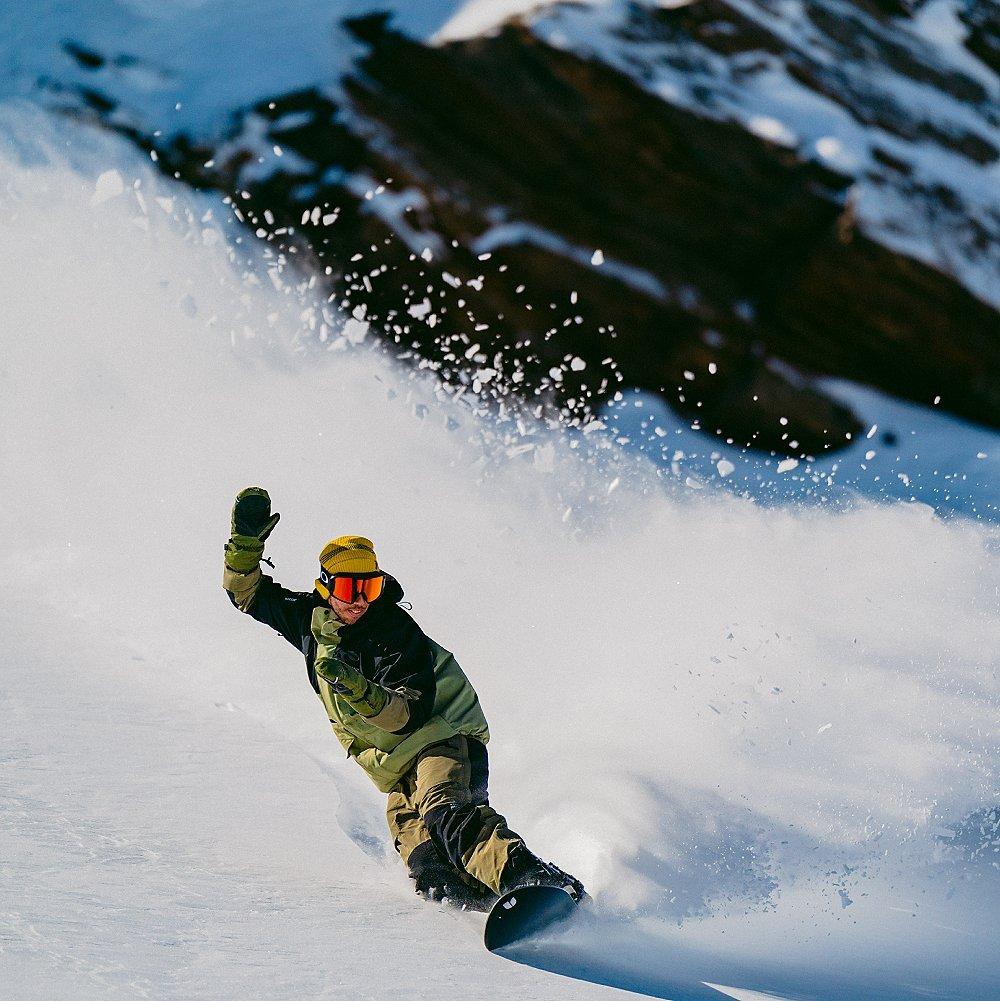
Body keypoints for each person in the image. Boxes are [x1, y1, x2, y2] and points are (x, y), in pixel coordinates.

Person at [222, 486, 584, 911]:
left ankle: (533, 879)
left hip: (440, 739)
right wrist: (246, 545)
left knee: (447, 815)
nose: (359, 601)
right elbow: (247, 594)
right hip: (393, 766)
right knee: (428, 863)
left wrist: (358, 689)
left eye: (370, 588)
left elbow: (407, 716)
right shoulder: (309, 619)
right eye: (348, 587)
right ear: (325, 587)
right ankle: (492, 910)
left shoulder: (393, 632)